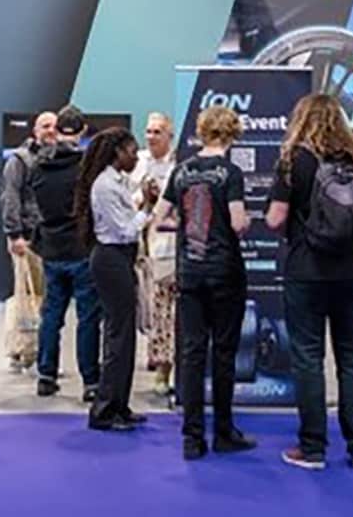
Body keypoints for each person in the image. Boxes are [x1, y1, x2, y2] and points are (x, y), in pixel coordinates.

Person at [266, 93, 353, 471]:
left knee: (308, 359)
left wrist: (293, 228)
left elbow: (275, 218)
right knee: (352, 359)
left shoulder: (293, 161)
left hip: (306, 272)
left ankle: (313, 449)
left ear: (301, 119)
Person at [156, 105, 256, 461]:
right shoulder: (230, 172)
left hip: (190, 271)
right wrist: (243, 223)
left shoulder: (181, 170)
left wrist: (187, 226)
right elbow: (237, 222)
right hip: (224, 271)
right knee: (224, 352)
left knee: (192, 352)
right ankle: (224, 431)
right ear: (231, 134)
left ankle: (192, 436)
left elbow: (160, 217)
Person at [76, 127, 159, 432]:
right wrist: (147, 209)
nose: (136, 157)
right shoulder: (105, 186)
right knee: (118, 336)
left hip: (119, 259)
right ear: (117, 153)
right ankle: (104, 410)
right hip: (111, 259)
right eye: (132, 151)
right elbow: (124, 229)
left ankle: (119, 405)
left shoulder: (118, 182)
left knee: (125, 336)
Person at [29, 106, 101, 400]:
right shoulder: (87, 170)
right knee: (88, 317)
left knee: (51, 315)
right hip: (81, 249)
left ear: (56, 130)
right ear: (82, 131)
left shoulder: (38, 168)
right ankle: (90, 382)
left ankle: (46, 375)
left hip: (51, 249)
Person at [2, 111, 57, 371]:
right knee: (27, 296)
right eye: (45, 126)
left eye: (55, 126)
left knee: (45, 299)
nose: (51, 130)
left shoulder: (59, 160)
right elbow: (10, 197)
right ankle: (24, 352)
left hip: (52, 240)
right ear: (35, 131)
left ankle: (32, 351)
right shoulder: (19, 160)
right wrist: (14, 235)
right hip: (27, 239)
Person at [133, 111, 177, 396]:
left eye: (157, 131)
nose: (151, 137)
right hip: (142, 242)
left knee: (168, 308)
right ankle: (156, 356)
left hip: (171, 244)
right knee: (148, 306)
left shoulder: (178, 165)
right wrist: (142, 198)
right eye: (148, 131)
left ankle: (168, 367)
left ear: (169, 135)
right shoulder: (137, 162)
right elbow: (129, 200)